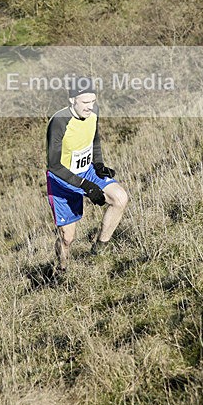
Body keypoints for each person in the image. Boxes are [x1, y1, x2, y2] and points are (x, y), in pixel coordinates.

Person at [45, 77, 128, 273]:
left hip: (87, 171)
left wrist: (98, 165)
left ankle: (99, 250)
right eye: (85, 102)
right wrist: (85, 185)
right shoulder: (59, 122)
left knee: (120, 198)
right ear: (72, 99)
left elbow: (94, 139)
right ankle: (61, 271)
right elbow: (54, 165)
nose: (90, 107)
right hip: (62, 180)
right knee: (67, 238)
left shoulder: (93, 112)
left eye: (93, 101)